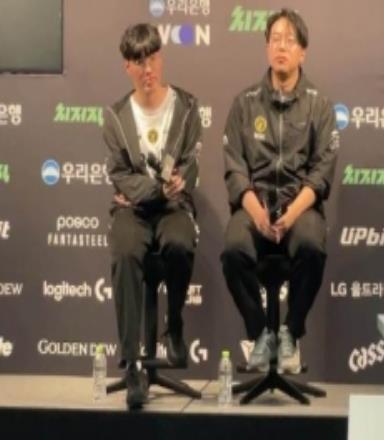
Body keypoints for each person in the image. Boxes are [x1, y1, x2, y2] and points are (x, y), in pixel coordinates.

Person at [221, 8, 338, 374]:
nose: (281, 47)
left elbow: (321, 172)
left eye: (289, 40)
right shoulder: (244, 103)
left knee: (312, 245)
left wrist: (292, 214)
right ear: (266, 48)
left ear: (303, 52)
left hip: (299, 206)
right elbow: (235, 167)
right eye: (275, 40)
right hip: (255, 205)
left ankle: (290, 332)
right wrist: (255, 210)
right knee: (233, 250)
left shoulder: (319, 105)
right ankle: (259, 334)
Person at [103, 23, 202, 409]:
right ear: (127, 66)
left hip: (174, 208)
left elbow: (192, 160)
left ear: (161, 58)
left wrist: (182, 179)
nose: (148, 69)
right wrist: (156, 189)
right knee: (126, 252)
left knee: (179, 243)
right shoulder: (115, 116)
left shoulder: (187, 107)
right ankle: (132, 366)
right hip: (134, 210)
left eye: (153, 58)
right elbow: (120, 174)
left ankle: (173, 325)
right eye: (139, 61)